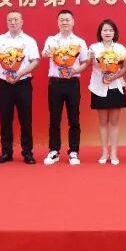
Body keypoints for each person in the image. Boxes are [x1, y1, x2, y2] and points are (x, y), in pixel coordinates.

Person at [0, 10, 40, 164]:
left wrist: (21, 73)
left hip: (23, 84)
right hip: (5, 86)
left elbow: (35, 61)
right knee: (5, 120)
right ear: (7, 22)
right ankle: (6, 152)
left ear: (22, 22)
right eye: (10, 20)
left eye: (16, 19)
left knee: (25, 120)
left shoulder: (29, 41)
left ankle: (27, 152)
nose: (13, 22)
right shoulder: (1, 39)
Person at [41, 9, 89, 166]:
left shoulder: (80, 42)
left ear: (73, 22)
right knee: (54, 118)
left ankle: (74, 151)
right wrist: (47, 52)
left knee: (74, 119)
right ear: (57, 22)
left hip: (72, 82)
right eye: (61, 19)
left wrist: (74, 71)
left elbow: (85, 63)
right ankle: (54, 150)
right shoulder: (51, 40)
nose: (64, 22)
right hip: (55, 83)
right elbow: (44, 53)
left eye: (67, 19)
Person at [89, 19, 126, 165]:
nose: (108, 32)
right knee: (103, 122)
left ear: (114, 33)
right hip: (99, 87)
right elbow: (88, 64)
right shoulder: (93, 48)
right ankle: (104, 152)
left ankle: (114, 153)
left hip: (115, 87)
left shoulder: (120, 48)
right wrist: (90, 59)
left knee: (114, 121)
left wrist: (115, 76)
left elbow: (124, 67)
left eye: (110, 30)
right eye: (105, 30)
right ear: (100, 32)